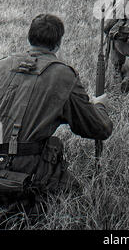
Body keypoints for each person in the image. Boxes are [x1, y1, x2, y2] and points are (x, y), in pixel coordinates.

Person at [0, 14, 113, 214]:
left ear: (29, 38)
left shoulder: (3, 64)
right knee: (77, 200)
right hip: (24, 172)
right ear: (59, 43)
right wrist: (99, 106)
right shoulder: (63, 75)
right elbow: (98, 128)